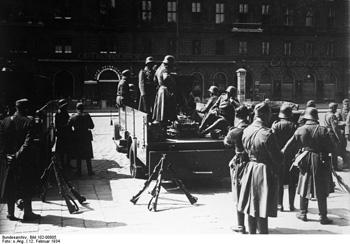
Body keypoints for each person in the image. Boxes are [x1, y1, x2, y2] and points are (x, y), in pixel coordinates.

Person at [282, 107, 335, 225]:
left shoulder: (300, 130)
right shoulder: (323, 130)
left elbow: (287, 147)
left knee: (303, 184)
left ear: (306, 117)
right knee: (321, 187)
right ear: (316, 118)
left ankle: (303, 213)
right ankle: (323, 216)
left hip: (304, 159)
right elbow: (331, 147)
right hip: (320, 160)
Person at [237, 102, 282, 234]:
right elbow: (278, 158)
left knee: (251, 206)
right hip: (263, 171)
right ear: (266, 115)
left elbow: (244, 150)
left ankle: (252, 235)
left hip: (249, 169)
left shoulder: (246, 130)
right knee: (262, 208)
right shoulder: (267, 133)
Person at [0, 99, 41, 221]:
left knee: (10, 185)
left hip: (8, 160)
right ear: (26, 109)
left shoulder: (4, 121)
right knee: (27, 185)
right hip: (24, 160)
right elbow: (27, 143)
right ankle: (27, 213)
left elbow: (1, 141)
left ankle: (10, 214)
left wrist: (7, 155)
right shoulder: (28, 122)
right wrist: (17, 155)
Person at [223, 105, 250, 234]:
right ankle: (253, 224)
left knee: (239, 194)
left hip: (240, 164)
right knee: (251, 194)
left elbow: (226, 142)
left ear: (236, 116)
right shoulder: (252, 129)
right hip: (253, 163)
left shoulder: (235, 131)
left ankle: (241, 226)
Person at [271, 103, 298, 211]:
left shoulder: (276, 125)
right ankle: (291, 205)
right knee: (292, 182)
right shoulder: (294, 126)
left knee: (279, 181)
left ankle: (279, 204)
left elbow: (272, 141)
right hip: (291, 157)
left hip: (279, 156)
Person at [68, 103, 95, 176]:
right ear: (83, 109)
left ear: (76, 109)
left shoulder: (73, 117)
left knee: (78, 155)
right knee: (88, 155)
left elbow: (68, 126)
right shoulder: (87, 116)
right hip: (86, 137)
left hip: (77, 138)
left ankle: (79, 171)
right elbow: (92, 126)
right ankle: (90, 171)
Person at [152, 55, 177, 125]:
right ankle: (164, 122)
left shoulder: (159, 69)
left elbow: (154, 80)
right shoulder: (165, 69)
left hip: (160, 89)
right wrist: (172, 79)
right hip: (165, 90)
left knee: (160, 108)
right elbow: (166, 78)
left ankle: (161, 120)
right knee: (165, 108)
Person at [324, 102, 346, 171]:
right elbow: (335, 128)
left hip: (327, 133)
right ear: (333, 108)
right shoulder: (332, 116)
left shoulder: (326, 114)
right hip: (332, 134)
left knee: (329, 151)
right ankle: (334, 167)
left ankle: (329, 166)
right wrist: (339, 138)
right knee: (334, 152)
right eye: (336, 108)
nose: (336, 110)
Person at [54, 99, 73, 170]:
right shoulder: (59, 113)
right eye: (64, 106)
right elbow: (58, 125)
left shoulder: (64, 112)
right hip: (62, 134)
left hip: (66, 134)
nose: (66, 107)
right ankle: (62, 164)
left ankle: (68, 164)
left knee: (68, 150)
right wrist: (67, 125)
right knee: (62, 151)